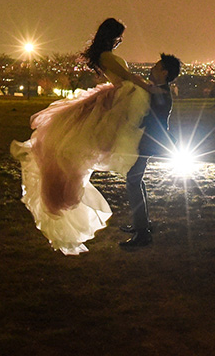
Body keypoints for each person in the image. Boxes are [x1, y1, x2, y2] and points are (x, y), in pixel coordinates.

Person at [9, 17, 166, 255]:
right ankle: (142, 227)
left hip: (123, 97)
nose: (119, 41)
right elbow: (128, 77)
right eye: (118, 37)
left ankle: (142, 225)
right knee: (133, 171)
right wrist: (149, 88)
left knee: (134, 173)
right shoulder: (105, 56)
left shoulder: (103, 56)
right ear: (110, 36)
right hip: (125, 98)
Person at [121, 52, 181, 248]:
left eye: (156, 67)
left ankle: (142, 233)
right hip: (148, 142)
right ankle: (142, 224)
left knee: (133, 181)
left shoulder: (162, 94)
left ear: (164, 72)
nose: (151, 69)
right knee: (136, 180)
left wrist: (132, 123)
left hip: (148, 143)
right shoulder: (160, 90)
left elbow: (153, 121)